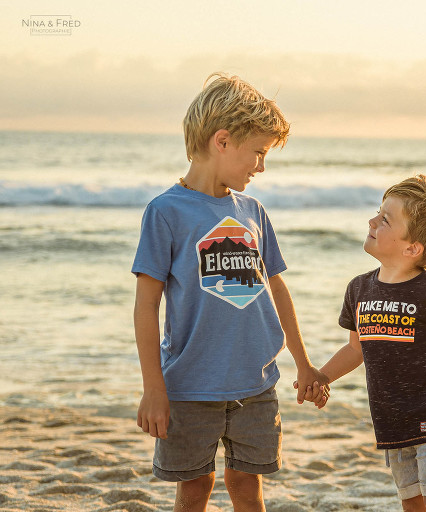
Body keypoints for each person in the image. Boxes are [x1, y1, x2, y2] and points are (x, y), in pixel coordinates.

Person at [131, 73, 328, 512]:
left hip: (256, 383)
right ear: (222, 141)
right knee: (195, 487)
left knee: (247, 484)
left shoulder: (253, 211)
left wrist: (304, 362)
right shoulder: (166, 213)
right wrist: (153, 388)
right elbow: (146, 307)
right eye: (257, 152)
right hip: (189, 387)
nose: (261, 166)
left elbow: (276, 289)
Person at [317, 175, 426, 512]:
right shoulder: (359, 289)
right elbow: (355, 349)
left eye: (385, 219)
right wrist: (321, 377)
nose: (372, 221)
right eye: (378, 213)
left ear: (412, 248)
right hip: (393, 420)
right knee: (413, 503)